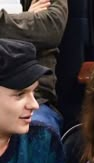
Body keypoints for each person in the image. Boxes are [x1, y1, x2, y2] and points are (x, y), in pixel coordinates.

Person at [0, 0, 68, 135]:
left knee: (37, 133)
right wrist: (26, 18)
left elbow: (51, 26)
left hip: (33, 94)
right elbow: (36, 26)